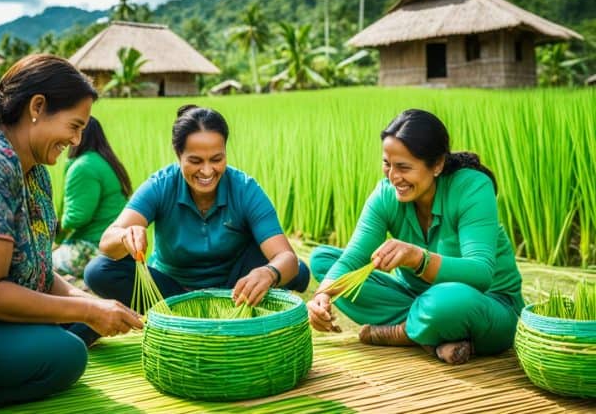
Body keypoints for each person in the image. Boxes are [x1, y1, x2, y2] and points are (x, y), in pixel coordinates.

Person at [307, 109, 524, 365]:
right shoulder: (386, 195)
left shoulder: (472, 187)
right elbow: (353, 257)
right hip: (416, 300)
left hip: (486, 304)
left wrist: (418, 258)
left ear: (437, 165)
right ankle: (431, 336)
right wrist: (322, 296)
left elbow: (481, 274)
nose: (393, 177)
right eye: (387, 164)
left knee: (445, 301)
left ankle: (401, 333)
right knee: (323, 261)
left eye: (404, 167)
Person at [0, 54, 143, 406]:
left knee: (88, 322)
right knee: (68, 355)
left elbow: (43, 274)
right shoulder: (0, 166)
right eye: (74, 125)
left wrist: (92, 304)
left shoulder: (37, 173)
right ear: (37, 106)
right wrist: (88, 311)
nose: (77, 141)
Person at [84, 104, 310, 315]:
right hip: (172, 292)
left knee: (293, 270)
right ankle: (187, 313)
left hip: (235, 289)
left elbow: (286, 256)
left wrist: (269, 273)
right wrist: (125, 235)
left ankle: (225, 306)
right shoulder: (161, 185)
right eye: (195, 160)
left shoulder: (244, 188)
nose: (207, 171)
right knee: (98, 270)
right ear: (178, 156)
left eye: (216, 159)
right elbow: (107, 242)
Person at [53, 116, 132, 278]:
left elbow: (77, 217)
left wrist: (56, 234)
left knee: (40, 266)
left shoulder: (83, 167)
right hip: (116, 247)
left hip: (93, 247)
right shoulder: (105, 161)